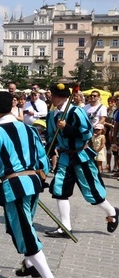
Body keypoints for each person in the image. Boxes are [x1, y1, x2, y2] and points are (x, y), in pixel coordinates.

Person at [0, 91, 62, 278]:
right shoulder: (29, 129)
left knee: (25, 233)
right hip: (34, 182)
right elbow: (43, 161)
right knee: (25, 226)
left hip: (14, 186)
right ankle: (30, 265)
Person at [44, 83, 118, 238]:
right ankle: (65, 227)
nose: (51, 97)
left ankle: (112, 212)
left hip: (80, 156)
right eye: (51, 94)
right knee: (60, 190)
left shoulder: (76, 111)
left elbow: (86, 134)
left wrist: (67, 128)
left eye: (54, 95)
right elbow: (51, 136)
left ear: (62, 97)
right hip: (64, 157)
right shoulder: (51, 115)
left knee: (92, 191)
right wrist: (49, 152)